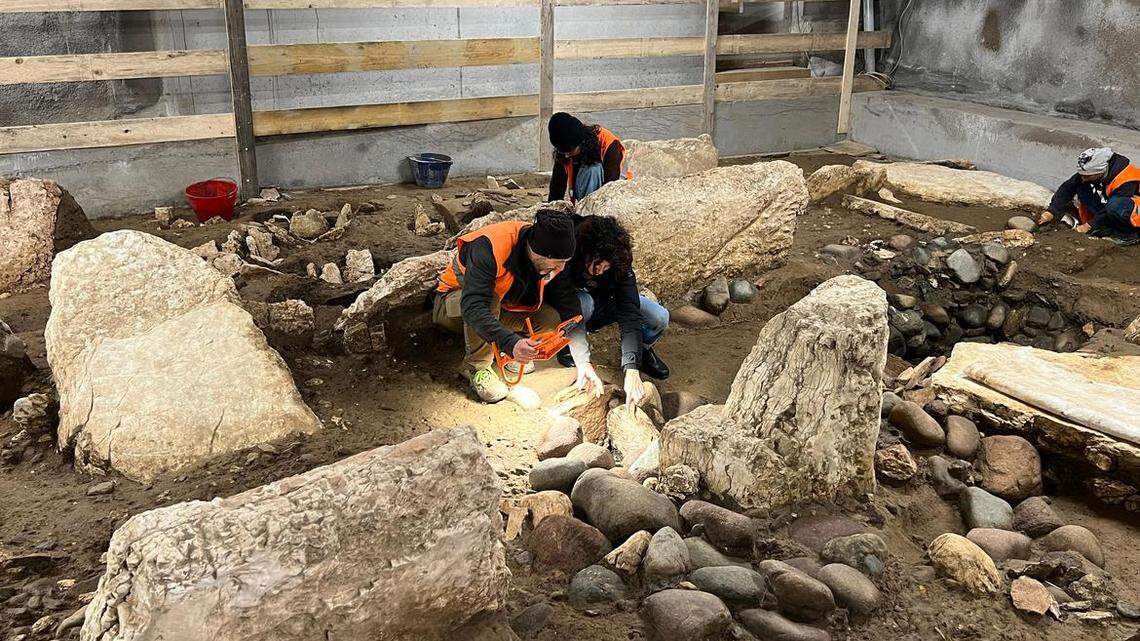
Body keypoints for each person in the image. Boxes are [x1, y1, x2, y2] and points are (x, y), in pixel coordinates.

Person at [433, 209, 604, 403]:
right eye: (557, 263)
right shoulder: (488, 247)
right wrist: (511, 342)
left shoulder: (553, 256)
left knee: (550, 321)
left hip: (500, 306)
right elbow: (474, 307)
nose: (561, 269)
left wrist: (583, 362)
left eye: (565, 263)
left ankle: (504, 352)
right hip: (453, 307)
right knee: (489, 300)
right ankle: (477, 367)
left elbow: (569, 305)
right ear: (539, 253)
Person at [554, 215, 671, 406]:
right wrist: (584, 361)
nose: (600, 271)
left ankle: (643, 349)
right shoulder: (569, 251)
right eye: (596, 264)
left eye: (606, 267)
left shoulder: (620, 262)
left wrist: (632, 366)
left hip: (607, 301)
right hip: (576, 304)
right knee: (583, 304)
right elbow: (567, 305)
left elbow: (630, 311)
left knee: (659, 317)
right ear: (588, 251)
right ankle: (568, 346)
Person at [1038, 147, 1140, 243]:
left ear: (1100, 172)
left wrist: (1088, 226)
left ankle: (1127, 235)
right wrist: (1051, 211)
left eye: (1087, 176)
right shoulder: (1095, 170)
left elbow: (1117, 206)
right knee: (1081, 187)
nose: (1083, 178)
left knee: (1115, 205)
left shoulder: (1126, 179)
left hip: (1133, 212)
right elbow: (1067, 188)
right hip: (1117, 206)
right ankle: (1105, 228)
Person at [547, 112, 632, 204]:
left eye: (570, 151)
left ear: (581, 142)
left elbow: (610, 189)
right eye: (563, 152)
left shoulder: (610, 145)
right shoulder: (565, 150)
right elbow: (557, 187)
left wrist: (591, 215)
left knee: (592, 169)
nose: (567, 155)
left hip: (616, 196)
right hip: (583, 200)